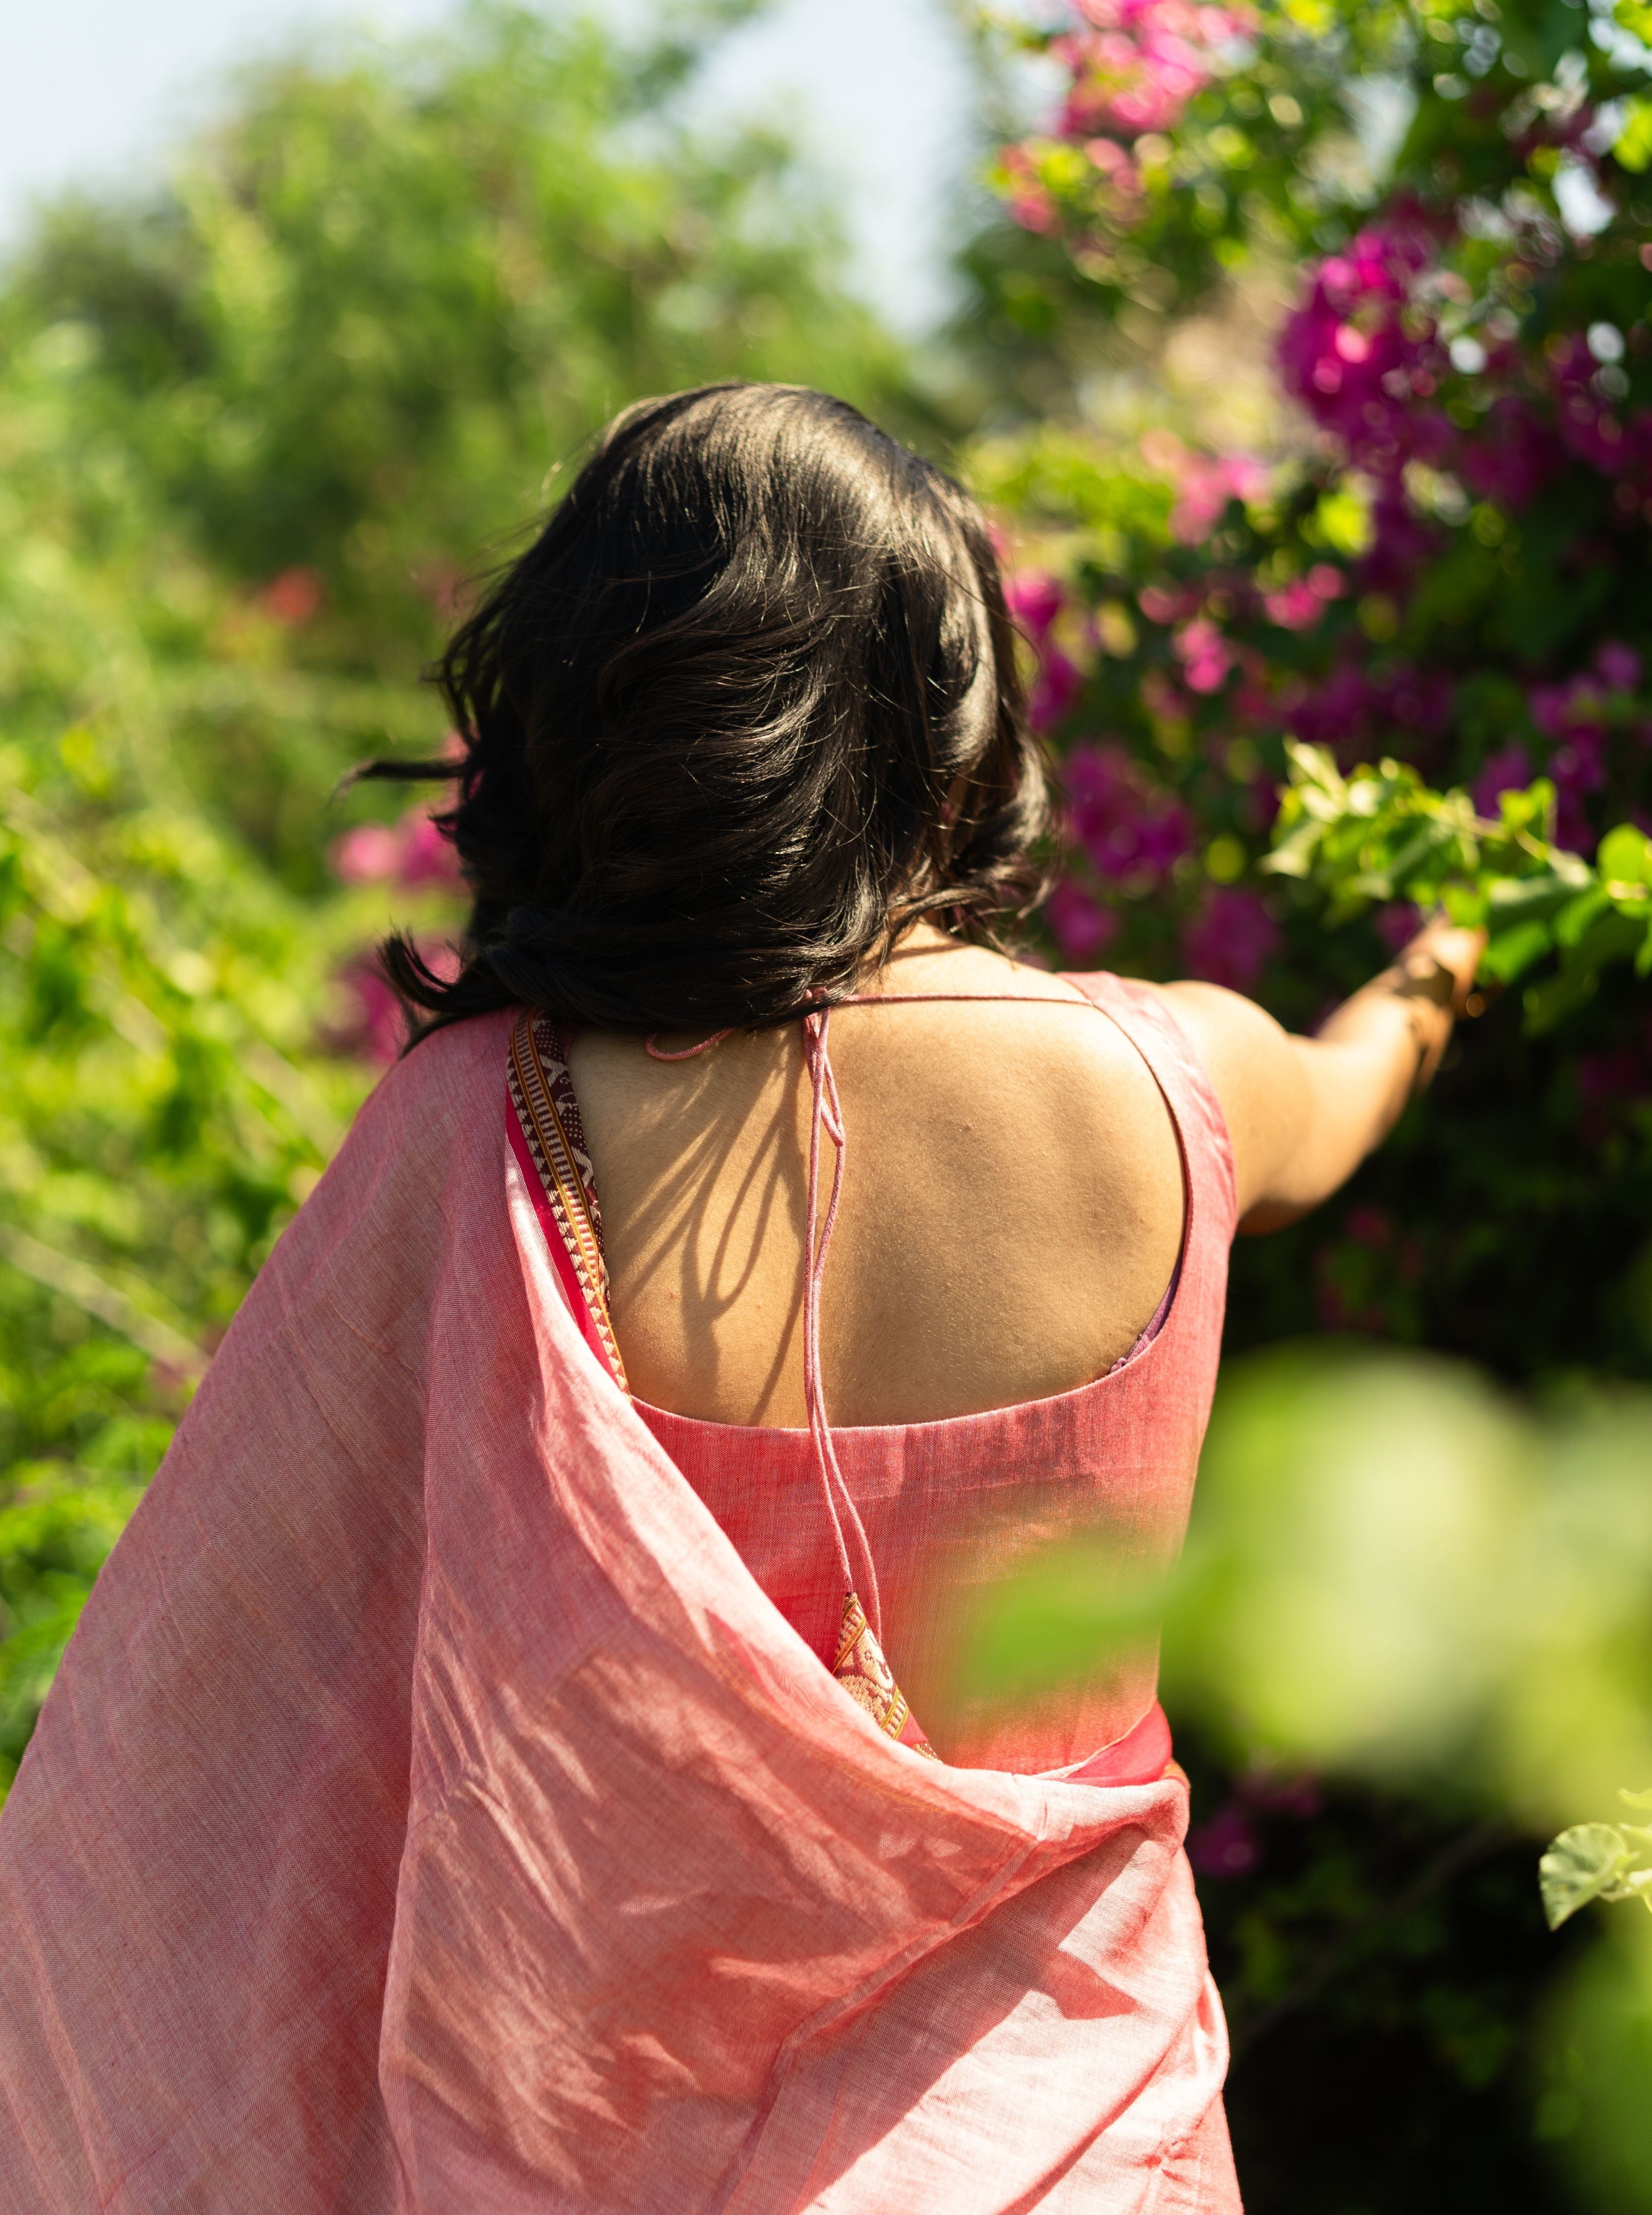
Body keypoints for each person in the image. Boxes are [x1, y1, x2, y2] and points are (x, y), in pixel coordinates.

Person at [0, 383, 1481, 2213]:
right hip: (1093, 2145)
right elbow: (1342, 1103)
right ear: (948, 738)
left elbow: (191, 1757)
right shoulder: (1159, 1082)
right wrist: (1435, 978)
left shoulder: (478, 1136)